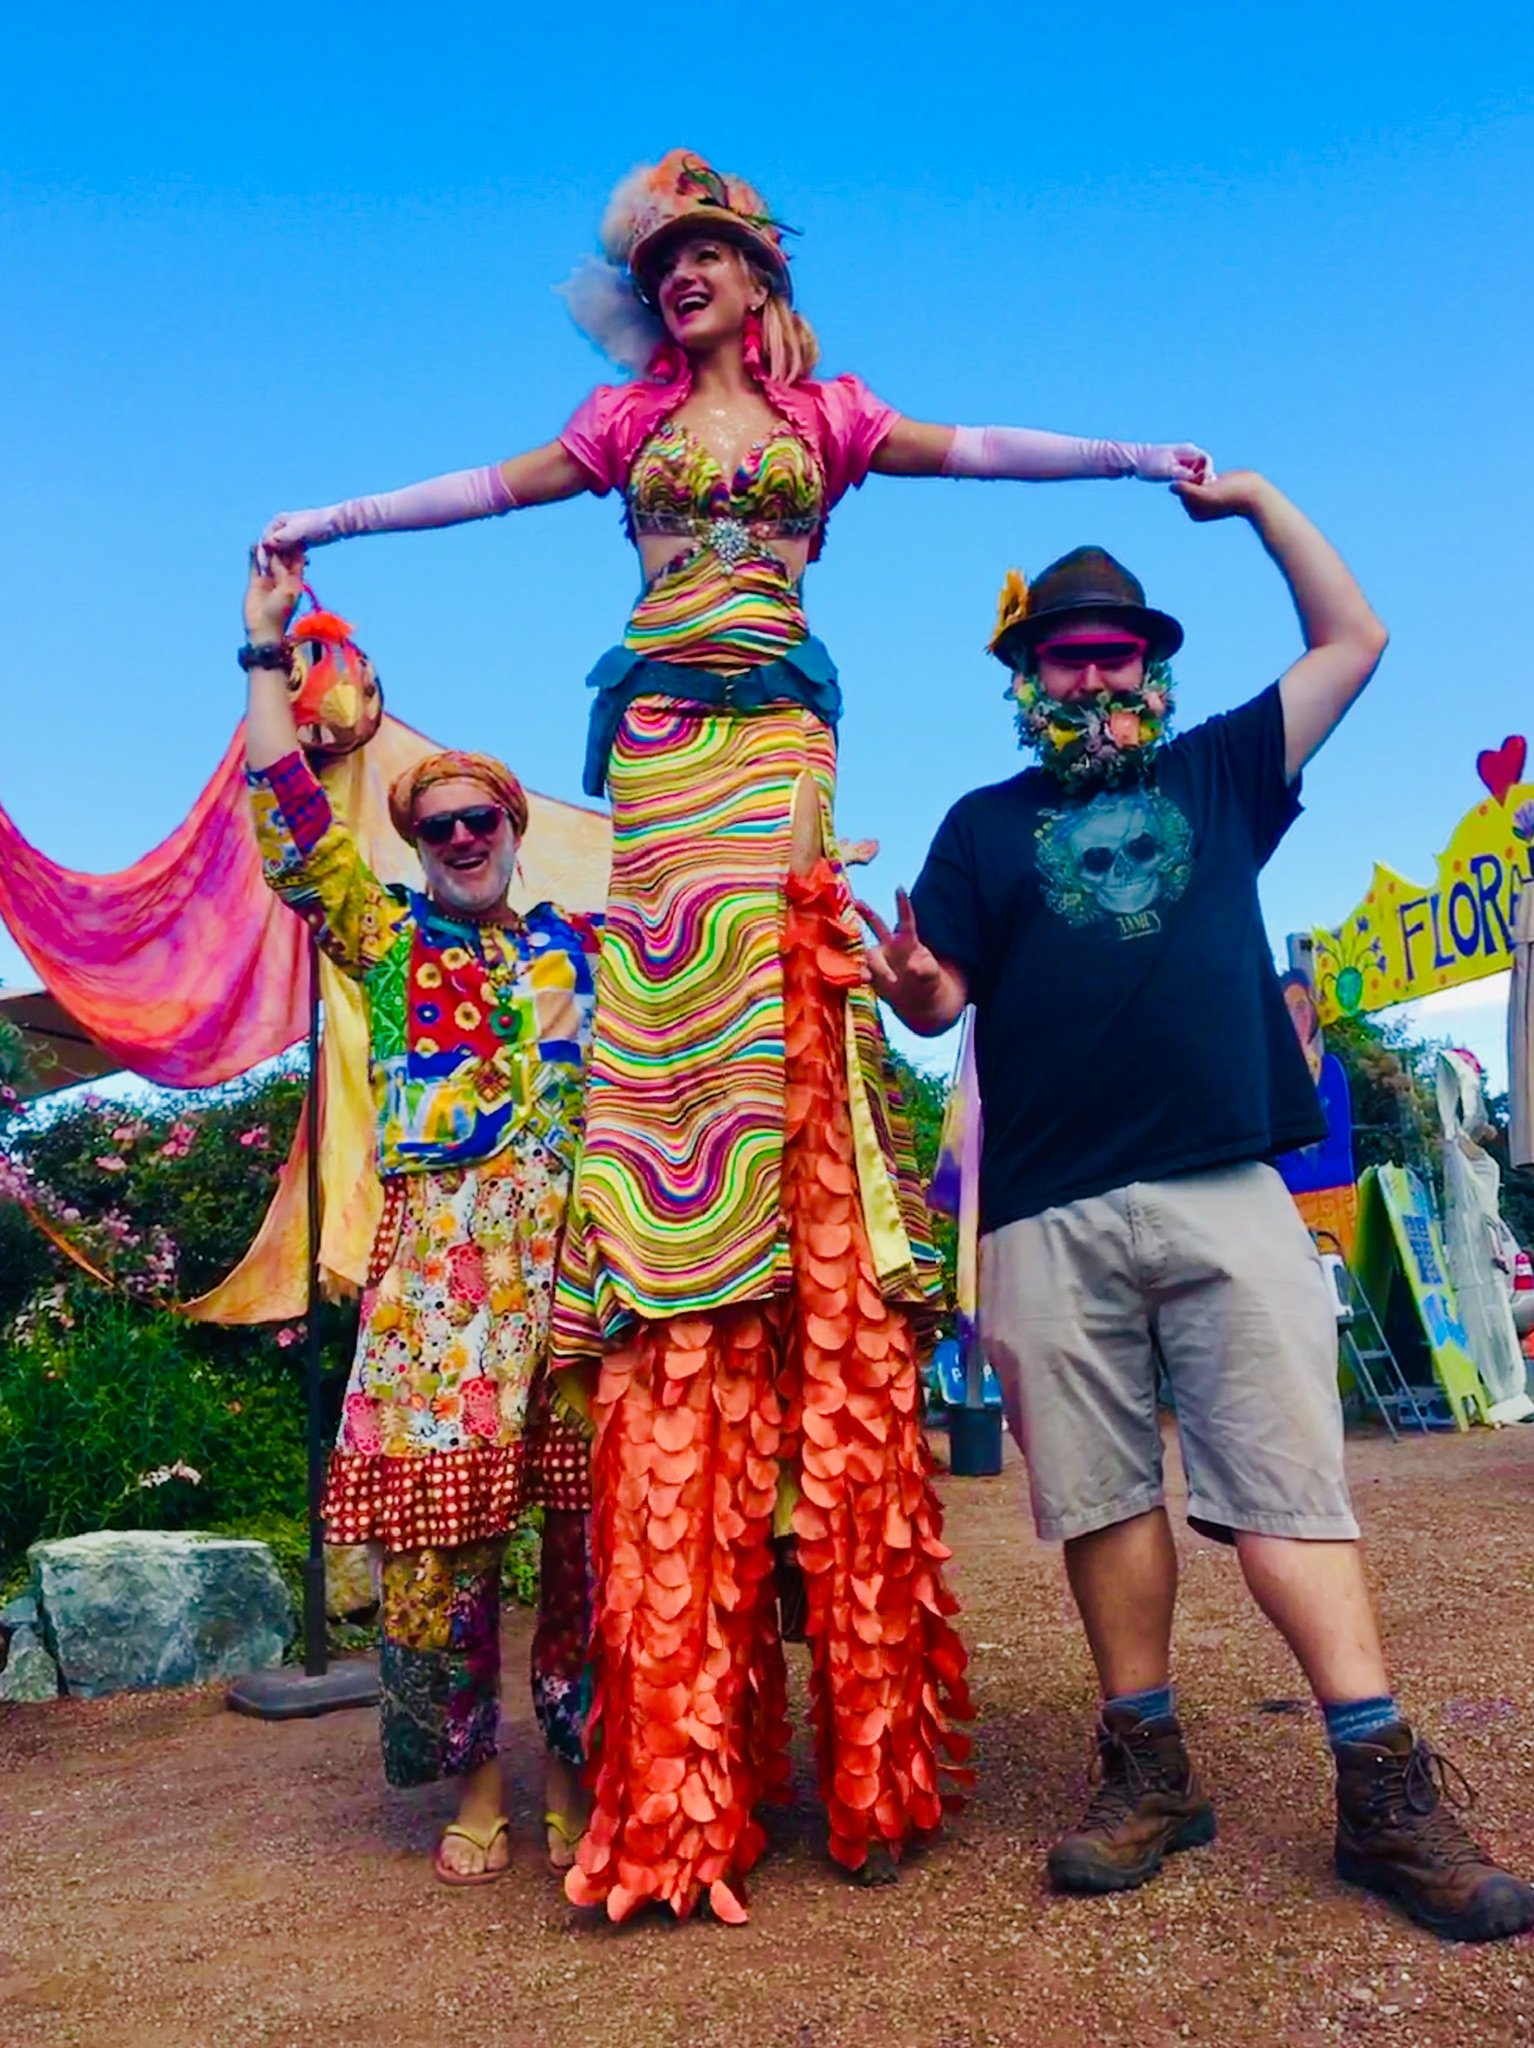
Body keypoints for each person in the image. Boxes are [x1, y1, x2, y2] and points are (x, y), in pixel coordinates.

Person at [256, 148, 1208, 1924]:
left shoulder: (830, 418)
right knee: (667, 1023)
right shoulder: (618, 427)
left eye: (710, 253)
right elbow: (479, 487)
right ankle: (665, 1236)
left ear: (761, 276)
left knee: (786, 1024)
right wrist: (328, 520)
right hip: (660, 764)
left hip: (774, 749)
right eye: (662, 258)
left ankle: (823, 1581)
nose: (681, 275)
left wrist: (1137, 459)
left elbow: (976, 449)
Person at [864, 471, 1534, 1943]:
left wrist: (1259, 504)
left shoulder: (1219, 773)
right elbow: (936, 1002)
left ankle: (1380, 1789)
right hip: (1043, 1207)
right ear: (1026, 677)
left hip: (1227, 1184)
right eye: (1064, 653)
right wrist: (915, 987)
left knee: (1291, 1488)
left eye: (1115, 652)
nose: (1092, 672)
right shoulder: (979, 827)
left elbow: (1352, 637)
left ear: (1150, 674)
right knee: (1100, 1499)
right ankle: (1148, 1769)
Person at [241, 548, 602, 1885]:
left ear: (511, 833)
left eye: (480, 823)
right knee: (438, 1569)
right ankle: (480, 1779)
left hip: (569, 1286)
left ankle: (574, 1763)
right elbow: (288, 819)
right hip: (438, 1293)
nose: (461, 840)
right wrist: (264, 654)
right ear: (416, 845)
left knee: (586, 1554)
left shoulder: (581, 953)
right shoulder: (385, 942)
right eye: (438, 825)